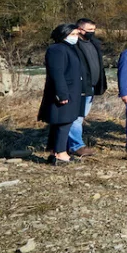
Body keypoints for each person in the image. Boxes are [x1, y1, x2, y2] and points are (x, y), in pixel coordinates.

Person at [37, 23, 86, 165]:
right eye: (72, 34)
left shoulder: (69, 48)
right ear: (63, 34)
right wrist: (62, 94)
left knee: (62, 122)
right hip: (64, 93)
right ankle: (61, 154)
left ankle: (55, 152)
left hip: (71, 92)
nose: (76, 37)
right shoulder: (57, 49)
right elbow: (57, 74)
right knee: (63, 122)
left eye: (77, 34)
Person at [67, 17, 109, 157]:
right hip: (78, 87)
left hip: (92, 87)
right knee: (76, 117)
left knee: (81, 116)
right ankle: (76, 146)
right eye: (89, 30)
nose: (92, 32)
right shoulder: (72, 45)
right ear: (80, 29)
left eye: (94, 30)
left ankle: (72, 143)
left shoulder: (94, 43)